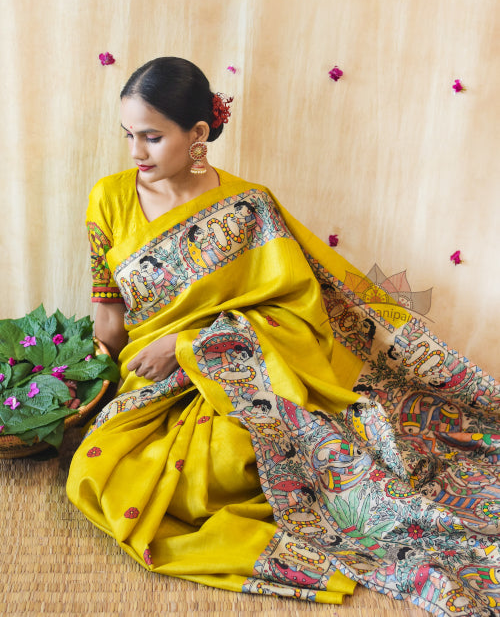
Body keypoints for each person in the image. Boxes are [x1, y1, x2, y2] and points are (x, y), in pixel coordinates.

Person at [67, 57, 500, 616]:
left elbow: (298, 313)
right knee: (97, 474)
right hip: (150, 382)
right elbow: (109, 315)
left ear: (198, 134)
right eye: (128, 134)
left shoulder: (249, 207)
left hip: (244, 375)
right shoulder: (108, 198)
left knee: (226, 462)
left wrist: (187, 346)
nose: (136, 152)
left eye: (152, 136)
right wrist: (90, 380)